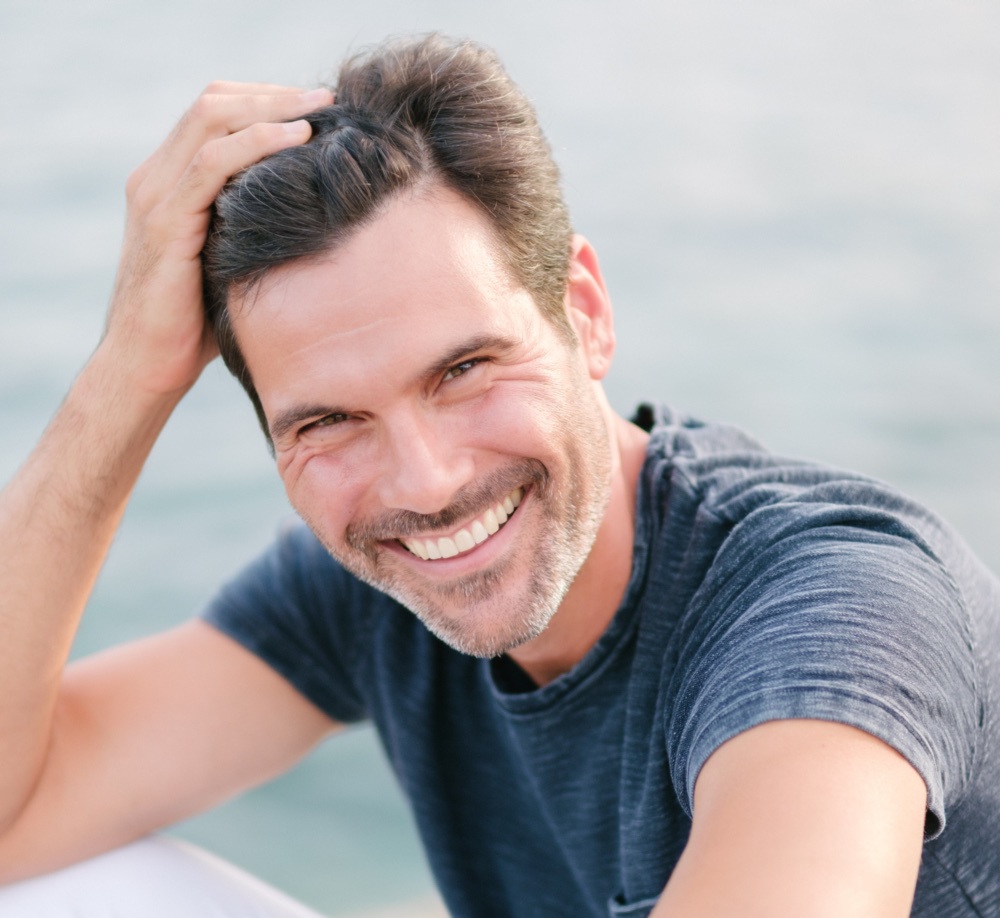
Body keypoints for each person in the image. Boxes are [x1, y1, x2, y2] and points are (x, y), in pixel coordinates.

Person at [0, 33, 997, 918]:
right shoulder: (369, 593)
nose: (425, 485)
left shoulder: (834, 612)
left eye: (464, 369)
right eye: (330, 423)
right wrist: (125, 376)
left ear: (586, 314)